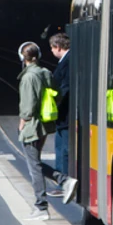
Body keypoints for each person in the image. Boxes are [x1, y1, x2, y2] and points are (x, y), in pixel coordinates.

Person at [17, 42, 75, 221]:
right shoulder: (46, 73)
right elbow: (56, 92)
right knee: (35, 162)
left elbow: (28, 105)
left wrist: (23, 120)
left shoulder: (28, 77)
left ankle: (41, 205)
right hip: (44, 123)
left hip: (32, 125)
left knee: (33, 166)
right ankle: (63, 180)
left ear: (22, 57)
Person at [46, 33, 78, 199]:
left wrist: (55, 104)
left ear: (58, 47)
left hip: (65, 115)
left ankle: (63, 182)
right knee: (62, 147)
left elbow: (64, 88)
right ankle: (64, 180)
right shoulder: (69, 59)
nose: (51, 52)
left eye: (52, 48)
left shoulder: (67, 62)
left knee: (62, 149)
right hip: (66, 115)